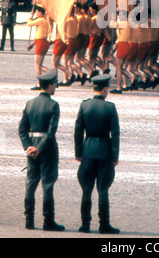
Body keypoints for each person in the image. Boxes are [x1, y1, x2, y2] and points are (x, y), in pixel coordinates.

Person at [18, 69, 65, 232]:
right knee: (48, 184)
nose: (56, 86)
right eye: (55, 84)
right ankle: (48, 221)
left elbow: (22, 128)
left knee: (30, 184)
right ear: (50, 84)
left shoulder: (30, 103)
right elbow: (51, 132)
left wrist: (29, 147)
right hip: (47, 148)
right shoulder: (54, 105)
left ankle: (29, 220)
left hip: (32, 146)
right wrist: (40, 148)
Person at [74, 74, 120, 234]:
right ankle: (104, 224)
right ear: (105, 89)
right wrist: (115, 156)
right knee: (103, 190)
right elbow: (115, 134)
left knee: (86, 190)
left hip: (87, 150)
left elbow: (78, 131)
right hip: (105, 152)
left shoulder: (84, 106)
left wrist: (78, 152)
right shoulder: (110, 107)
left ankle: (85, 224)